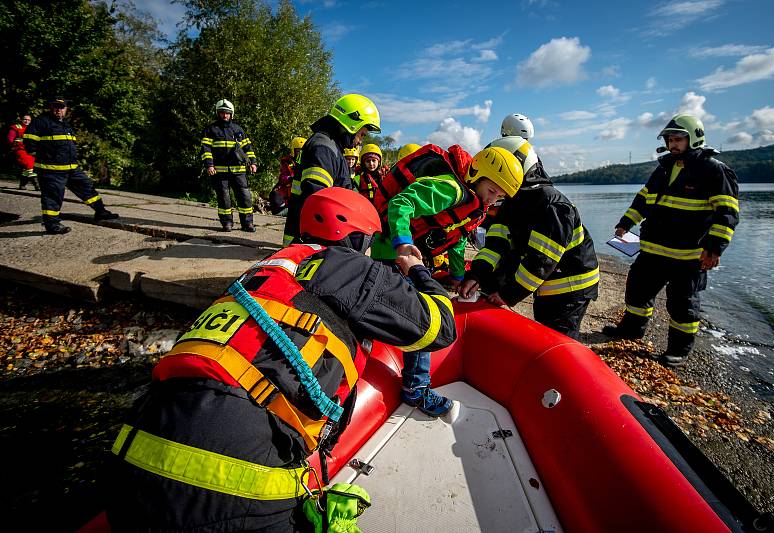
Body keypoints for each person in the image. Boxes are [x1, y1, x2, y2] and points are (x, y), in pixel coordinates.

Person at [105, 187, 457, 532]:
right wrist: (415, 269)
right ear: (358, 239)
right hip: (228, 488)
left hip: (127, 467)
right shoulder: (348, 267)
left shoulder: (262, 272)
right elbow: (441, 329)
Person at [371, 143, 523, 416]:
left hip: (409, 256)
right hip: (394, 253)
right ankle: (416, 390)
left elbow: (457, 239)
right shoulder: (450, 190)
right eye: (491, 191)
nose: (491, 201)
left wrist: (456, 277)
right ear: (476, 175)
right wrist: (403, 244)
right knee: (424, 317)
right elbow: (401, 203)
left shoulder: (472, 202)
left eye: (498, 197)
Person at [602, 114, 739, 367]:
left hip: (687, 258)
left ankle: (678, 350)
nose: (672, 144)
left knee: (683, 305)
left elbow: (727, 213)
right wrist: (625, 223)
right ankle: (631, 331)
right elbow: (643, 199)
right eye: (670, 139)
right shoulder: (664, 168)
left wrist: (715, 247)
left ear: (694, 138)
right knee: (637, 292)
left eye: (678, 139)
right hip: (652, 252)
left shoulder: (713, 170)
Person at [459, 136, 599, 340]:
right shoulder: (511, 199)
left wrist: (508, 294)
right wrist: (477, 276)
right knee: (544, 327)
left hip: (571, 284)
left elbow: (541, 261)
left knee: (557, 338)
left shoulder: (552, 206)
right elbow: (496, 246)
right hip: (546, 279)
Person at [283, 93, 381, 246]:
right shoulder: (324, 149)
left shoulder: (330, 146)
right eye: (362, 134)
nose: (360, 141)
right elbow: (319, 199)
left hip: (308, 238)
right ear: (352, 124)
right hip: (313, 242)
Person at [23, 97, 118, 234]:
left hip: (71, 168)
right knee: (53, 198)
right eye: (55, 106)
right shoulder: (41, 121)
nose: (58, 110)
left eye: (61, 107)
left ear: (66, 109)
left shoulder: (65, 124)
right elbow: (29, 143)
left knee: (87, 188)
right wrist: (46, 156)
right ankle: (52, 226)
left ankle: (101, 212)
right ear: (50, 107)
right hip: (51, 170)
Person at [201, 99, 258, 232]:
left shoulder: (238, 129)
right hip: (220, 172)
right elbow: (206, 150)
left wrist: (253, 163)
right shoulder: (211, 130)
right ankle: (227, 223)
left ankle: (247, 223)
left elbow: (248, 148)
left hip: (239, 171)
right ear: (217, 113)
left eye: (227, 113)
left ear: (231, 114)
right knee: (224, 198)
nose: (224, 115)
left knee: (244, 197)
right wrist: (209, 165)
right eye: (221, 113)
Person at [269, 137, 305, 216]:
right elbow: (283, 178)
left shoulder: (308, 163)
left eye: (302, 151)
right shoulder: (287, 162)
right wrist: (291, 178)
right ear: (293, 151)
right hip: (287, 198)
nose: (300, 153)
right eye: (298, 151)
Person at [6, 114, 38, 190]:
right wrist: (14, 147)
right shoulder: (16, 127)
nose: (27, 121)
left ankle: (22, 185)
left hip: (30, 150)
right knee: (29, 165)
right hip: (19, 149)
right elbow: (9, 140)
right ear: (21, 119)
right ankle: (37, 185)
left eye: (29, 120)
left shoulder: (32, 128)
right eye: (25, 119)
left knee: (31, 167)